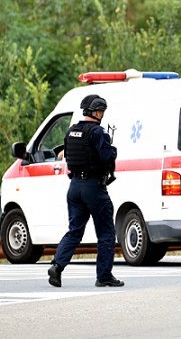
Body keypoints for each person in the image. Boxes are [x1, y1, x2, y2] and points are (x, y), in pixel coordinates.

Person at [47, 94, 124, 288]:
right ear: (97, 112)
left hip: (74, 188)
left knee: (74, 230)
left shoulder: (72, 131)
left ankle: (57, 266)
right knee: (106, 233)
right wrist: (112, 149)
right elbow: (107, 157)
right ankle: (104, 276)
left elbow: (67, 154)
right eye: (102, 111)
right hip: (93, 187)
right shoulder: (97, 132)